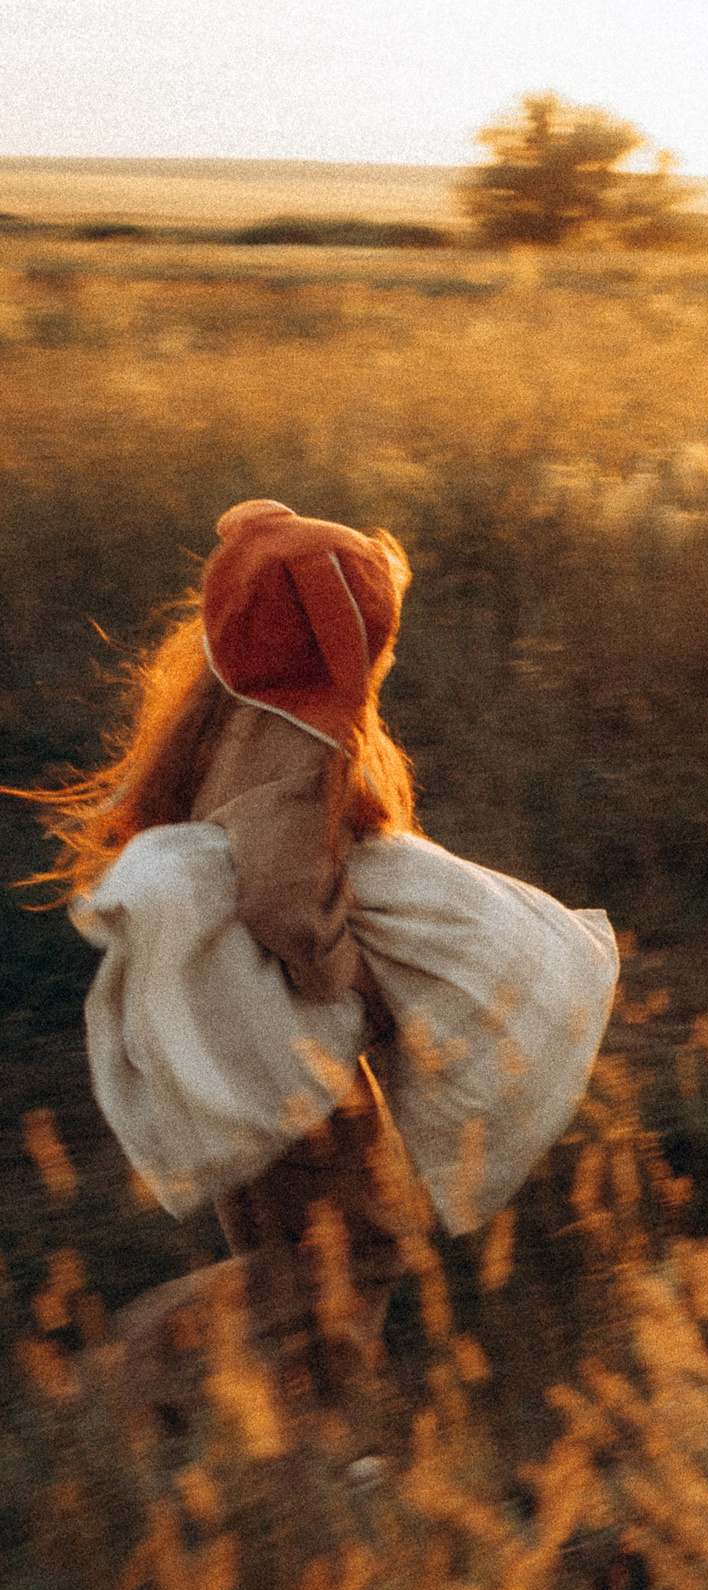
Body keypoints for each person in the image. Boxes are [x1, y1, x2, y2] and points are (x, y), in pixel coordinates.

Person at [15, 500, 616, 1437]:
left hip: (241, 1030)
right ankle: (120, 1384)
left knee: (302, 1255)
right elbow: (286, 895)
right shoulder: (300, 744)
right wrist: (355, 981)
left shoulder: (222, 713)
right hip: (292, 1033)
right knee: (354, 1250)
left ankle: (316, 1463)